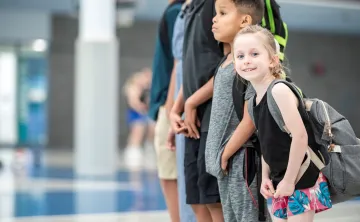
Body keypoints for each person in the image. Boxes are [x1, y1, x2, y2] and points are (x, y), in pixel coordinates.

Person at [233, 25, 332, 222]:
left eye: (254, 53)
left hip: (302, 177)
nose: (246, 61)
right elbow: (267, 142)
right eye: (240, 56)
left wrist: (289, 180)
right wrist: (266, 177)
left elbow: (300, 136)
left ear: (272, 60)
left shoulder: (279, 91)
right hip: (281, 180)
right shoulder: (254, 100)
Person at [169, 0, 225, 221]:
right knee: (196, 198)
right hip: (191, 120)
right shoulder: (191, 9)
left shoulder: (219, 6)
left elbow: (230, 65)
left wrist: (192, 102)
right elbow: (190, 66)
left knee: (214, 200)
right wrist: (178, 106)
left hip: (212, 119)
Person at [148, 1, 185, 221]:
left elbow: (178, 62)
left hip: (170, 104)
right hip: (169, 103)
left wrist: (172, 108)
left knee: (169, 174)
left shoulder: (177, 12)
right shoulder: (176, 11)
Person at [166, 0, 197, 221]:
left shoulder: (204, 9)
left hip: (194, 109)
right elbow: (181, 65)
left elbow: (199, 68)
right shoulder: (185, 10)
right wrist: (174, 110)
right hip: (183, 105)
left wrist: (189, 104)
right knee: (189, 189)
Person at [123, 68, 155, 168]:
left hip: (143, 112)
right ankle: (132, 154)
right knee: (137, 133)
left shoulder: (145, 88)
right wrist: (143, 109)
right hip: (136, 113)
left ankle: (148, 151)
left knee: (151, 130)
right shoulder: (132, 88)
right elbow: (134, 103)